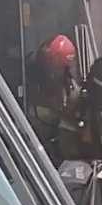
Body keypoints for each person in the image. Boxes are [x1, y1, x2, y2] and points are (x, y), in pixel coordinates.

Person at [25, 34, 78, 166]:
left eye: (64, 68)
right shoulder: (28, 81)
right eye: (58, 66)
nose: (60, 72)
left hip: (54, 146)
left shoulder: (69, 88)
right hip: (30, 141)